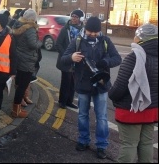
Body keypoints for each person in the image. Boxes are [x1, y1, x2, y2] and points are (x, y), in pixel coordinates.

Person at [61, 16, 122, 159]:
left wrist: (105, 61)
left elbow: (117, 58)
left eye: (96, 32)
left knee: (101, 117)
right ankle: (83, 140)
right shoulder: (77, 41)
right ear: (85, 29)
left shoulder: (105, 41)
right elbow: (64, 58)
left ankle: (101, 145)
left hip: (101, 84)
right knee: (83, 115)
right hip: (83, 84)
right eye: (90, 32)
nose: (93, 34)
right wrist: (72, 57)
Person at [109, 24, 158, 163]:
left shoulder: (134, 57)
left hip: (131, 110)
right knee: (147, 143)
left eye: (136, 35)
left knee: (129, 144)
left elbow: (119, 88)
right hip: (152, 109)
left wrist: (111, 94)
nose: (134, 38)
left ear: (141, 39)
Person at [11, 9, 43, 117]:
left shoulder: (19, 26)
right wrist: (40, 42)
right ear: (33, 18)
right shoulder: (30, 29)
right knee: (23, 85)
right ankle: (16, 110)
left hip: (20, 58)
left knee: (19, 84)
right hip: (27, 60)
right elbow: (33, 45)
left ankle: (17, 107)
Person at [55, 9, 84, 109]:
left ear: (80, 18)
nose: (73, 18)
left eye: (76, 17)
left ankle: (69, 101)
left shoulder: (83, 31)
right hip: (66, 60)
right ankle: (62, 101)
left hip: (77, 61)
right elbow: (58, 44)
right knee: (66, 82)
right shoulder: (65, 29)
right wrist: (66, 56)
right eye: (72, 16)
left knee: (73, 83)